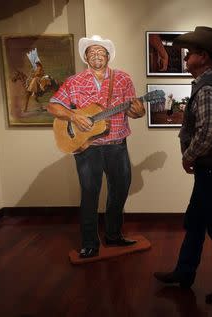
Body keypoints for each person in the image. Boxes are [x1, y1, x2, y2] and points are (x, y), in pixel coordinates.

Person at [153, 26, 212, 305]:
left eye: (190, 54)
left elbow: (208, 132)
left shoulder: (208, 86)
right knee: (196, 222)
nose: (185, 59)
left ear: (203, 57)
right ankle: (184, 272)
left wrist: (188, 155)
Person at [47, 35, 146, 258]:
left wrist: (139, 111)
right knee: (90, 194)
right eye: (91, 52)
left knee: (119, 191)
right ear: (85, 57)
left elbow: (135, 110)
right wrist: (73, 116)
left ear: (108, 56)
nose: (96, 55)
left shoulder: (123, 79)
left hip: (117, 144)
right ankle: (90, 242)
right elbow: (53, 106)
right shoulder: (74, 81)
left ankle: (113, 235)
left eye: (101, 52)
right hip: (87, 147)